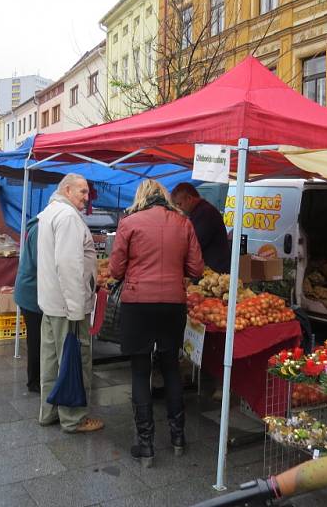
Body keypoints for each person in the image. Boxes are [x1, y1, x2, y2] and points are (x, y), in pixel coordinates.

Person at [109, 180, 204, 467]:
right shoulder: (183, 222)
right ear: (165, 197)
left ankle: (146, 444)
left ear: (140, 197)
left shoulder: (129, 222)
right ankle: (178, 437)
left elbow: (115, 269)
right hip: (173, 303)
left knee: (140, 372)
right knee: (171, 368)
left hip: (138, 303)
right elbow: (196, 268)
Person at [37, 174, 104, 434]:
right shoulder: (67, 218)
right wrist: (77, 308)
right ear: (67, 190)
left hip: (52, 302)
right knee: (74, 361)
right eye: (82, 192)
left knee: (52, 361)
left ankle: (49, 411)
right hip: (68, 306)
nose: (86, 198)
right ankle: (73, 418)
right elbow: (68, 265)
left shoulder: (50, 213)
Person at [171, 183, 231, 273]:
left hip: (215, 272)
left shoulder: (205, 213)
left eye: (180, 204)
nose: (179, 208)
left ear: (189, 199)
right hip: (212, 268)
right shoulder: (201, 211)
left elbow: (195, 243)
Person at [14, 216, 42, 393]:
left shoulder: (38, 226)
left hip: (33, 291)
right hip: (32, 293)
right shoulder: (40, 229)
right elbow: (42, 263)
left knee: (36, 338)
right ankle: (34, 382)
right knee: (36, 340)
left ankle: (37, 379)